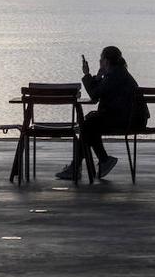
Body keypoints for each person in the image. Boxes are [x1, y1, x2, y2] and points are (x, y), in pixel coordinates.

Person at [57, 45, 149, 181]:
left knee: (87, 126)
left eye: (101, 59)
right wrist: (99, 76)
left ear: (106, 61)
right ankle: (92, 163)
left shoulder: (114, 75)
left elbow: (94, 95)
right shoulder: (118, 73)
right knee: (88, 125)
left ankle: (83, 166)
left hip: (128, 121)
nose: (100, 62)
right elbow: (100, 92)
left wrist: (87, 75)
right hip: (134, 119)